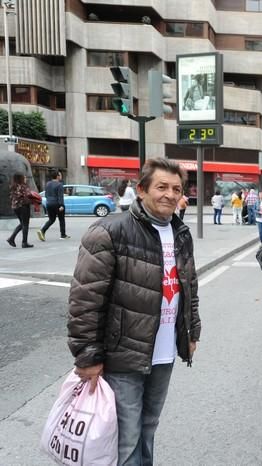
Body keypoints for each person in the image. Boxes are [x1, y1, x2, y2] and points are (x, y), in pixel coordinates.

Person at [67, 157, 201, 465]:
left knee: (148, 428)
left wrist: (191, 332)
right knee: (126, 438)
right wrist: (87, 356)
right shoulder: (109, 231)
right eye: (161, 187)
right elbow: (85, 300)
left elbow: (189, 286)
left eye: (176, 188)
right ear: (141, 190)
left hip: (164, 351)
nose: (169, 194)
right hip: (123, 354)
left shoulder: (180, 234)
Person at [38, 170, 69, 241]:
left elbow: (46, 194)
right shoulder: (59, 184)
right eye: (60, 175)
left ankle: (42, 231)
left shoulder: (48, 184)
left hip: (48, 203)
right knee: (61, 219)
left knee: (51, 219)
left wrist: (49, 200)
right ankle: (63, 235)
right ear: (57, 176)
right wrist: (61, 205)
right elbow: (60, 196)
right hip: (57, 204)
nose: (61, 176)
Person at [6, 173, 34, 248]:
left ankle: (11, 238)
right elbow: (26, 197)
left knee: (22, 223)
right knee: (25, 224)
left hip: (15, 207)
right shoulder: (22, 186)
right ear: (20, 178)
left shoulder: (13, 186)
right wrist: (33, 201)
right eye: (24, 177)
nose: (26, 179)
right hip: (23, 206)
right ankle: (24, 242)